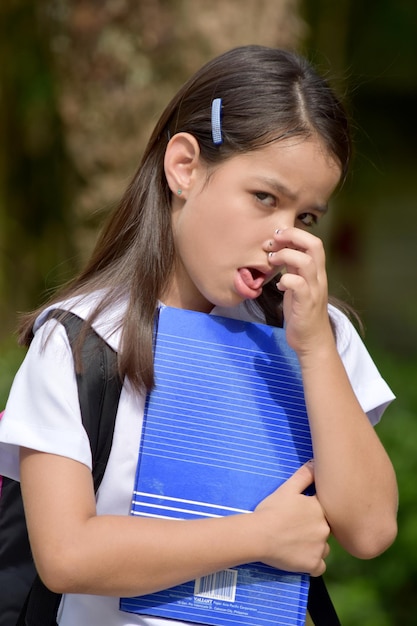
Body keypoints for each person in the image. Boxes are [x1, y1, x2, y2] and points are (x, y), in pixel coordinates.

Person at [0, 45, 398, 625]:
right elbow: (66, 555)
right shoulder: (81, 340)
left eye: (307, 216)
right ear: (184, 167)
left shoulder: (316, 336)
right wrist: (257, 536)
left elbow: (370, 529)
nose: (283, 236)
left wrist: (314, 350)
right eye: (265, 198)